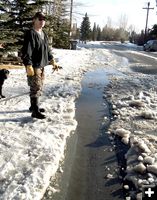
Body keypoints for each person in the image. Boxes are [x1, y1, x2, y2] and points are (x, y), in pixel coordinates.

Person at [21, 12, 59, 119]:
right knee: (36, 87)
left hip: (42, 64)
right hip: (34, 65)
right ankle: (35, 111)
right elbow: (27, 50)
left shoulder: (44, 34)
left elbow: (47, 49)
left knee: (39, 85)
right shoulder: (31, 33)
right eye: (40, 19)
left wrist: (52, 60)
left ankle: (33, 106)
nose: (42, 21)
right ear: (34, 20)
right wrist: (28, 65)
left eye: (44, 19)